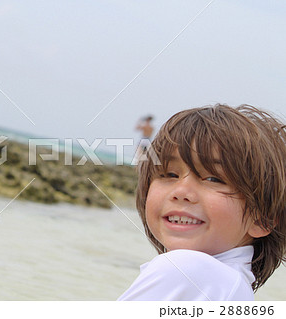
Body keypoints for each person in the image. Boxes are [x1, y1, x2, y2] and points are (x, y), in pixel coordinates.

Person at [119, 104, 286, 301]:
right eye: (170, 174)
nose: (181, 192)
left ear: (262, 219)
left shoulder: (185, 271)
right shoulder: (235, 287)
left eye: (214, 179)